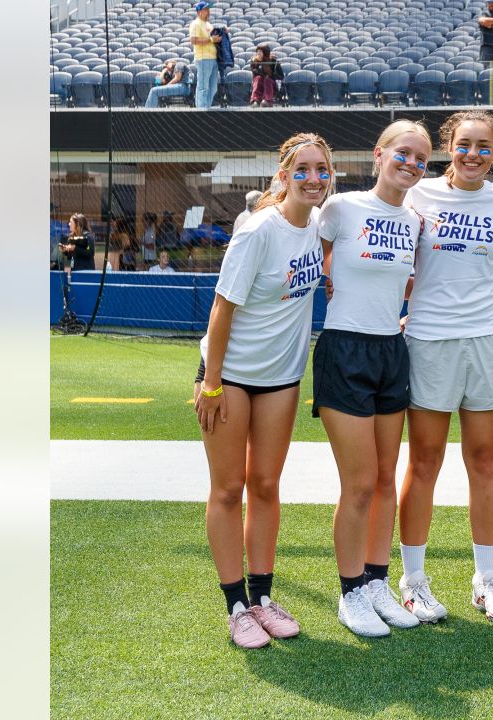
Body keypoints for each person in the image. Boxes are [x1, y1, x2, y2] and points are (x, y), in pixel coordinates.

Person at [194, 132, 332, 648]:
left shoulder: (321, 225)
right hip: (228, 377)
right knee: (229, 489)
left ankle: (263, 599)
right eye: (302, 169)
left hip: (281, 378)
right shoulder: (257, 230)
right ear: (283, 175)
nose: (313, 178)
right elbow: (222, 307)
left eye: (322, 169)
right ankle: (235, 607)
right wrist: (210, 383)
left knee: (267, 487)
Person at [397, 111, 493, 624]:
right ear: (449, 145)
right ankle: (413, 581)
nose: (473, 154)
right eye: (464, 144)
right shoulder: (417, 195)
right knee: (424, 463)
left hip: (487, 340)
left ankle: (486, 579)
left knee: (485, 461)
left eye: (484, 146)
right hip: (428, 340)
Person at [313, 120, 430, 637]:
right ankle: (350, 591)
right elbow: (299, 252)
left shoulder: (414, 221)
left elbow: (408, 284)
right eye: (403, 153)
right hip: (344, 350)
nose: (411, 164)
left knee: (386, 479)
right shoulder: (341, 208)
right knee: (359, 482)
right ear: (379, 154)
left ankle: (378, 582)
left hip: (390, 350)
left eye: (421, 159)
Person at [189, 2, 220, 110]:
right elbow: (193, 40)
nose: (208, 11)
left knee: (213, 87)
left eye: (208, 9)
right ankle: (201, 111)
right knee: (203, 87)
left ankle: (206, 108)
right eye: (206, 9)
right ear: (199, 12)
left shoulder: (208, 24)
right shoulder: (195, 24)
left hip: (213, 59)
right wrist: (211, 39)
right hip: (203, 59)